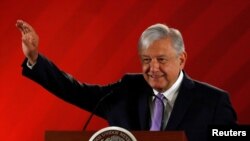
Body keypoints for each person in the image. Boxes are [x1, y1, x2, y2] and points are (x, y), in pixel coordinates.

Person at [16, 20, 237, 141]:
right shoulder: (127, 90)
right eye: (146, 60)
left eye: (161, 59)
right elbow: (77, 91)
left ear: (182, 59)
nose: (153, 68)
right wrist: (35, 58)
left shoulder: (213, 101)